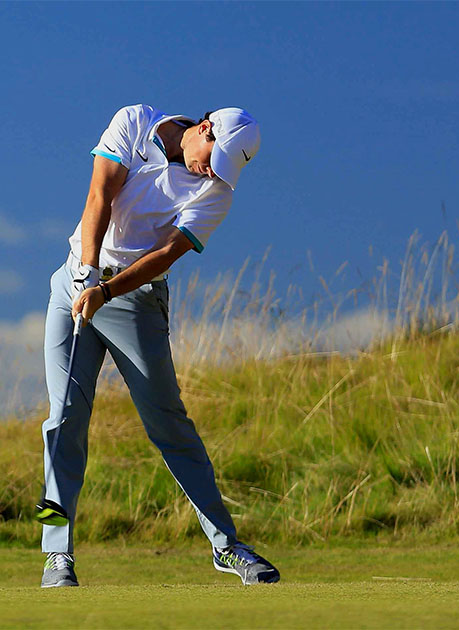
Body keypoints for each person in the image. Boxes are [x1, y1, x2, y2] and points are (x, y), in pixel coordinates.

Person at [40, 104, 280, 588]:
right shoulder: (133, 121)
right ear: (204, 128)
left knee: (168, 423)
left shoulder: (217, 191)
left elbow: (168, 252)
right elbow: (99, 196)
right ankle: (55, 554)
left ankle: (226, 547)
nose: (214, 171)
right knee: (63, 421)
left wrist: (105, 290)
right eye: (215, 157)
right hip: (74, 281)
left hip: (134, 300)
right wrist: (86, 274)